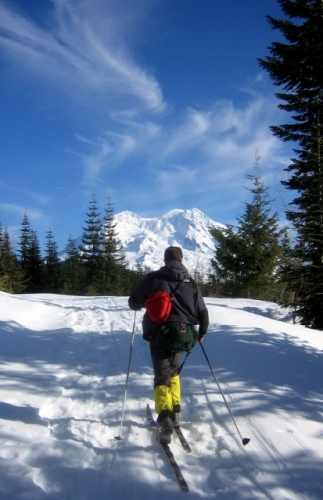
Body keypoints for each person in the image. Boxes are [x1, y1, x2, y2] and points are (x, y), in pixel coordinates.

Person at [128, 246, 209, 444]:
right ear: (181, 260)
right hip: (184, 336)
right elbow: (203, 314)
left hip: (159, 334)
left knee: (162, 374)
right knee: (173, 371)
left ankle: (164, 416)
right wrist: (201, 333)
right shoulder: (192, 283)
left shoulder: (153, 279)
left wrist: (142, 303)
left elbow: (133, 302)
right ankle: (175, 410)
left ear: (165, 261)